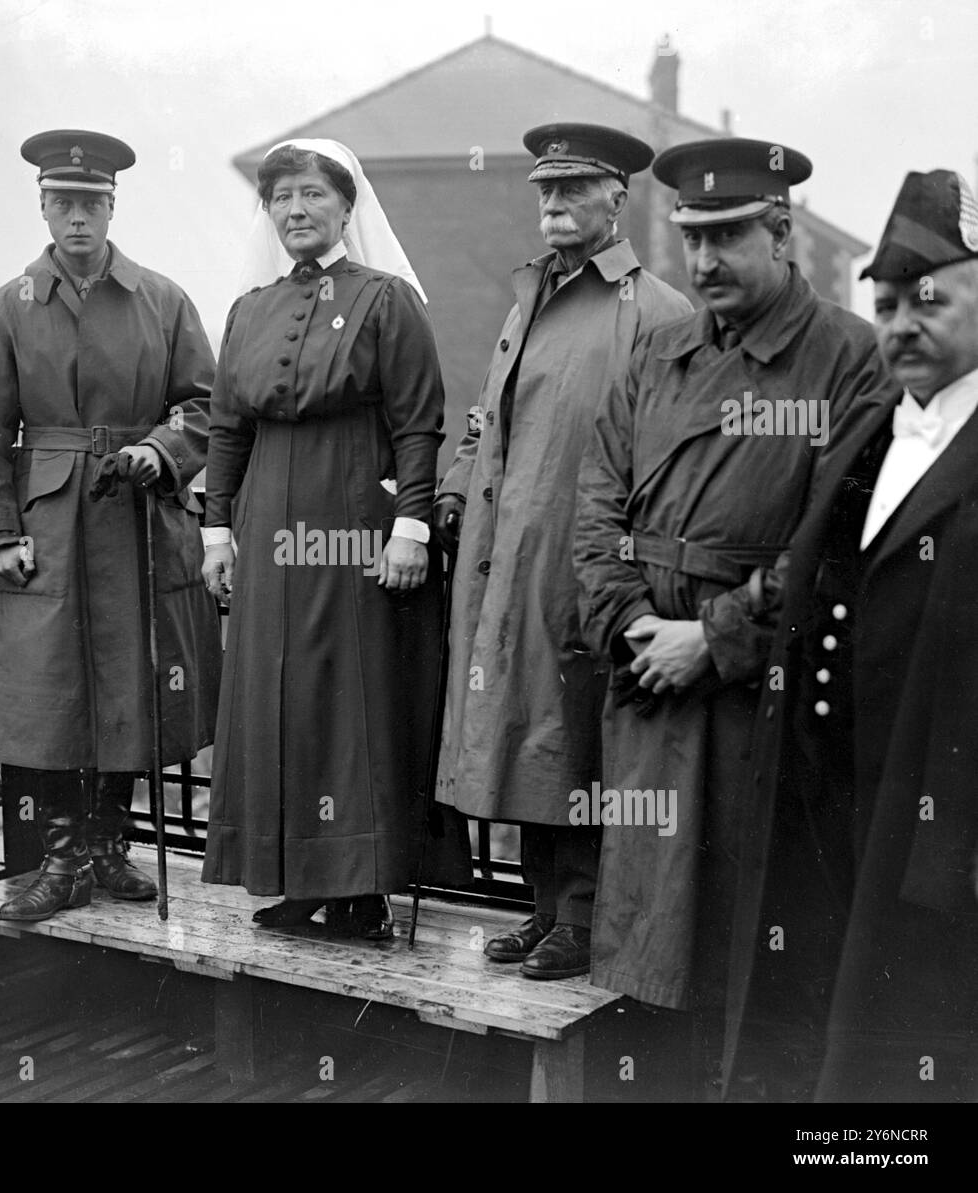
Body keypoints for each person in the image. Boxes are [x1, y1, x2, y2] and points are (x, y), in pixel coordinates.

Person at [572, 138, 891, 1089]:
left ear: (783, 233)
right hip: (648, 685)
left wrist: (711, 640)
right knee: (649, 947)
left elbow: (846, 540)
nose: (702, 262)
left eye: (726, 237)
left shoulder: (845, 358)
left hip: (761, 698)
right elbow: (596, 506)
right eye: (690, 238)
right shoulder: (657, 355)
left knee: (758, 947)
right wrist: (635, 627)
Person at [725, 170, 978, 1103]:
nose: (903, 322)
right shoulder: (869, 427)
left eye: (930, 299)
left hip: (930, 827)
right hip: (823, 803)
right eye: (885, 304)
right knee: (813, 1044)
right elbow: (805, 575)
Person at [432, 123, 691, 980]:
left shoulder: (655, 311)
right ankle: (544, 909)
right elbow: (486, 421)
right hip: (506, 555)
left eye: (575, 188)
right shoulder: (527, 300)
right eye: (545, 189)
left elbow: (671, 454)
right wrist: (456, 495)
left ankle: (581, 918)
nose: (554, 203)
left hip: (586, 565)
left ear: (619, 198)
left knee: (574, 732)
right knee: (524, 732)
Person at [201, 138, 469, 941]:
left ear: (347, 209)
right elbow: (225, 430)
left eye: (313, 195)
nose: (295, 211)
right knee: (275, 694)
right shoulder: (249, 309)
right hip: (266, 524)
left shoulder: (388, 301)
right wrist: (218, 531)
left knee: (347, 697)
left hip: (355, 521)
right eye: (280, 197)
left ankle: (361, 885)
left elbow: (419, 422)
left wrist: (412, 528)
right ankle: (293, 876)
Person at [0, 129, 221, 922]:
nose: (78, 217)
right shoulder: (8, 307)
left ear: (113, 207)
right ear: (43, 207)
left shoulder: (162, 299)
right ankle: (61, 856)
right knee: (44, 689)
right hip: (46, 522)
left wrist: (161, 448)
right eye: (63, 202)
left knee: (131, 681)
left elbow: (208, 407)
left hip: (137, 513)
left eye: (92, 203)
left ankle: (110, 842)